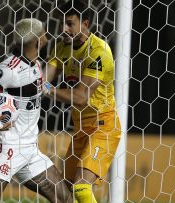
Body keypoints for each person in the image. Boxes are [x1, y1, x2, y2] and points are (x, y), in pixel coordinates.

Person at [0, 18, 72, 203]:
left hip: (30, 149)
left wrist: (52, 89)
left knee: (65, 199)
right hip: (7, 148)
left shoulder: (36, 65)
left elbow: (38, 87)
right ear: (38, 41)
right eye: (43, 32)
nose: (46, 34)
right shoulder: (10, 69)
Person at [44, 1, 122, 202]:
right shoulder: (61, 47)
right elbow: (43, 79)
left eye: (70, 24)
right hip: (80, 128)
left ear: (85, 24)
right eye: (63, 23)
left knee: (81, 189)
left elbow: (80, 97)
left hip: (102, 126)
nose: (64, 29)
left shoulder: (99, 51)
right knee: (66, 193)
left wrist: (47, 89)